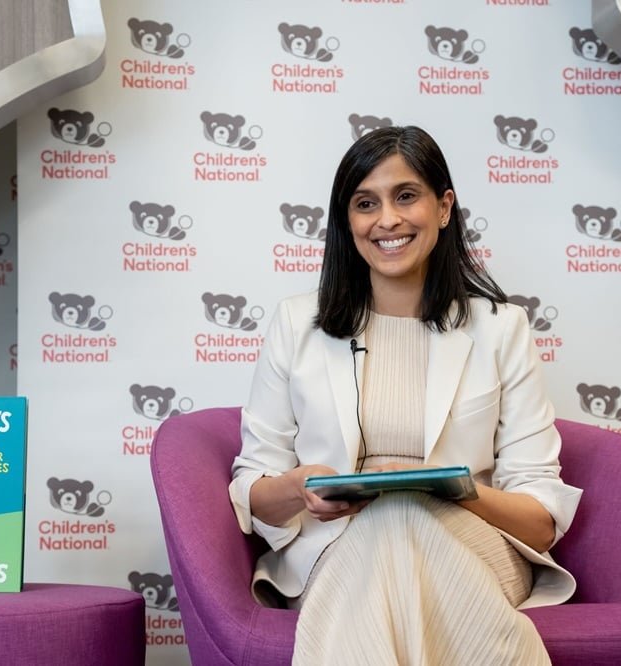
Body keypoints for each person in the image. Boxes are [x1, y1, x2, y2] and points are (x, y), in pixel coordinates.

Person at [228, 126, 582, 665]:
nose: (387, 219)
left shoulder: (501, 328)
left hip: (475, 542)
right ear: (348, 222)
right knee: (389, 522)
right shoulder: (295, 324)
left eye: (406, 196)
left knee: (402, 513)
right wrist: (301, 487)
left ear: (443, 208)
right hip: (337, 544)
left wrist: (452, 491)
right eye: (366, 203)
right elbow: (253, 489)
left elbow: (540, 517)